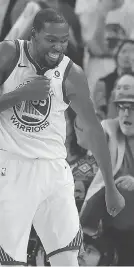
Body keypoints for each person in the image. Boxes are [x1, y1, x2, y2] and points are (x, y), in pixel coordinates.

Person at [0, 8, 125, 266]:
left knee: (69, 259)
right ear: (34, 35)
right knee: (10, 262)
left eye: (63, 41)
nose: (58, 48)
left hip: (54, 170)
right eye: (51, 40)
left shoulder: (72, 73)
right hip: (11, 167)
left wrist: (110, 186)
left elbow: (93, 129)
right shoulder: (8, 54)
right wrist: (18, 95)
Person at [81, 73, 134, 266]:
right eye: (122, 107)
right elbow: (87, 167)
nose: (126, 114)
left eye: (132, 108)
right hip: (108, 227)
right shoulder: (108, 129)